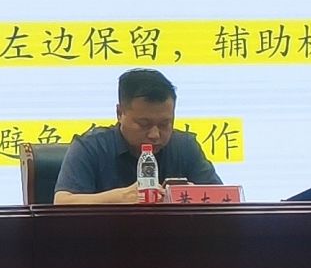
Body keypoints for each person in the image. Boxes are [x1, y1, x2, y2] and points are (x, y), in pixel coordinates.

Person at [53, 68, 225, 203]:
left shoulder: (185, 146)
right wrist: (121, 198)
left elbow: (224, 201)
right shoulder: (91, 147)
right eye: (144, 124)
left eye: (164, 124)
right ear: (120, 113)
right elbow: (63, 201)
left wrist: (193, 194)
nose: (155, 135)